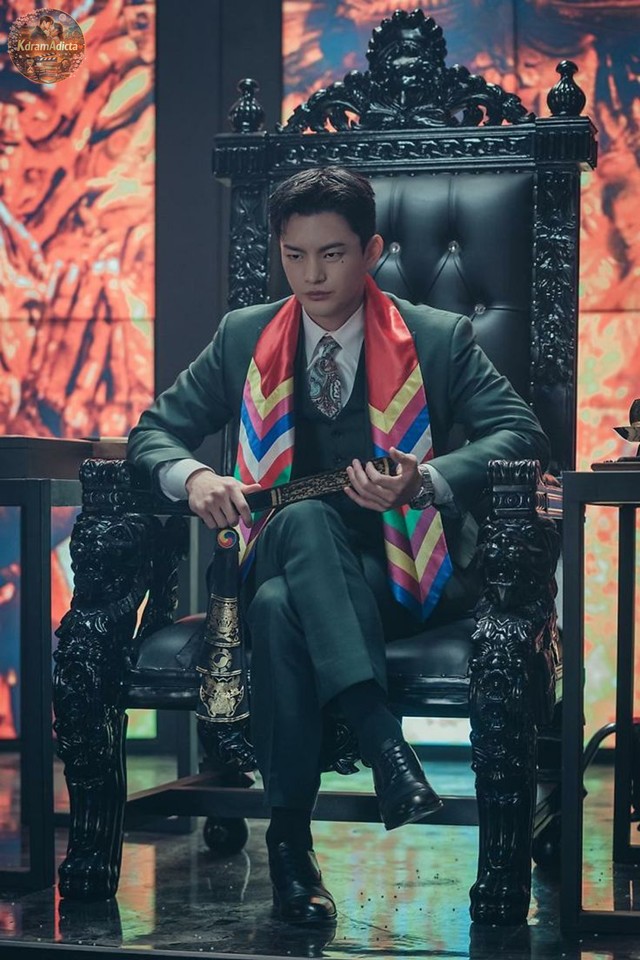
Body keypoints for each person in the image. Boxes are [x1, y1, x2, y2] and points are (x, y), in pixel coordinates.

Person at [127, 166, 549, 926]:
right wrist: (194, 478)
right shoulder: (244, 335)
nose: (312, 276)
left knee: (281, 606)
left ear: (372, 251)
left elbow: (520, 432)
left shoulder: (437, 337)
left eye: (332, 254)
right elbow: (153, 432)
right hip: (277, 547)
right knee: (301, 522)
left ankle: (290, 846)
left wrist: (424, 482)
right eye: (295, 256)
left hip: (403, 576)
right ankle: (385, 744)